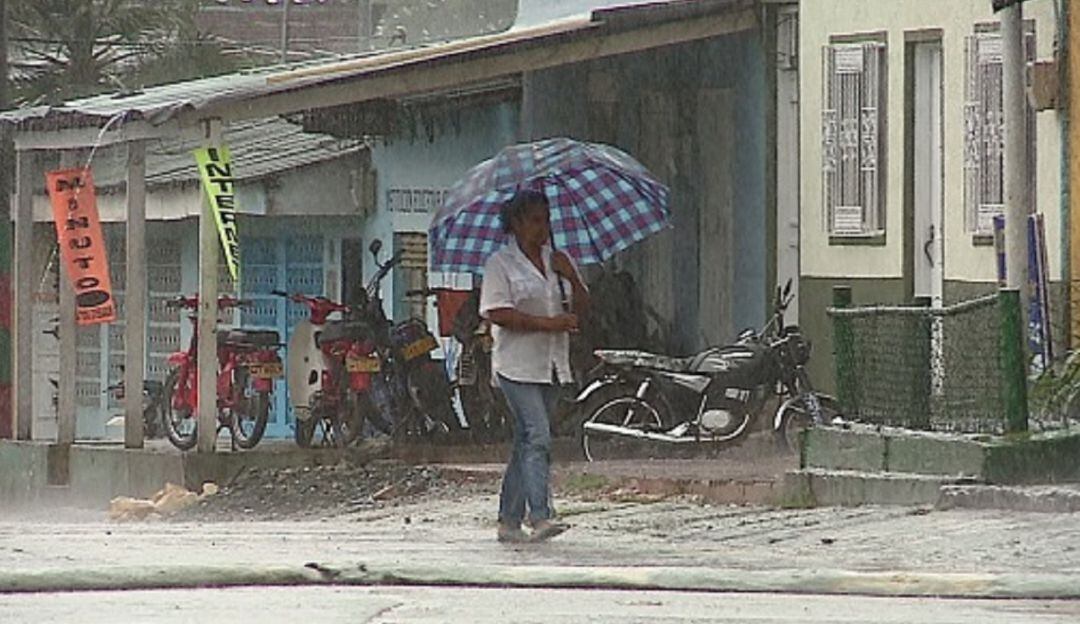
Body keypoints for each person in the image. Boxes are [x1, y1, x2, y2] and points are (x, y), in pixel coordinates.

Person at [480, 189, 590, 543]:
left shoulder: (557, 260)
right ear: (516, 223)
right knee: (539, 435)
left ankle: (508, 520)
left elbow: (582, 310)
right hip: (516, 365)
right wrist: (546, 325)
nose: (542, 229)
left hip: (552, 364)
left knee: (525, 440)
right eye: (534, 221)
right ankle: (540, 515)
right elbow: (497, 312)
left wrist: (571, 277)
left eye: (546, 221)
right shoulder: (501, 264)